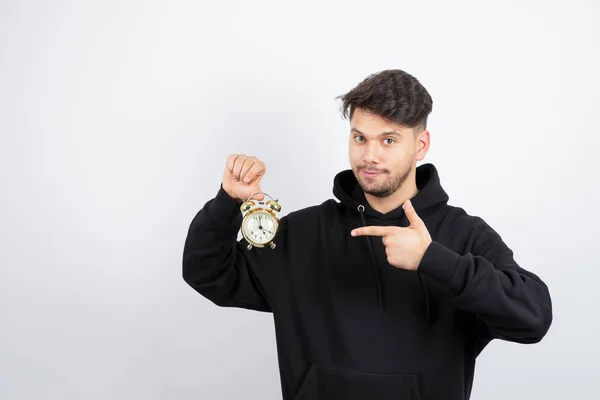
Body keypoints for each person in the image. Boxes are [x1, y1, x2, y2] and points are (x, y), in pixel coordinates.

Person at [182, 69, 553, 400]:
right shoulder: (301, 233)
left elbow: (533, 317)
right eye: (360, 138)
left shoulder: (463, 236)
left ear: (420, 146)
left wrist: (435, 261)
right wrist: (228, 202)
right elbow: (207, 273)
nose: (369, 155)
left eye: (388, 140)